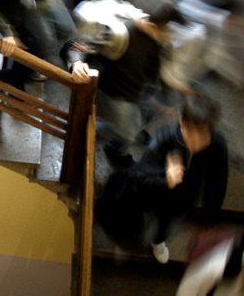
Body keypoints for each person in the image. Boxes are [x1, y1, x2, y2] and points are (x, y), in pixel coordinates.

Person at [97, 87, 228, 264]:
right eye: (192, 134)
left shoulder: (216, 145)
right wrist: (166, 179)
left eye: (203, 136)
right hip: (155, 197)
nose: (197, 143)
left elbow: (218, 182)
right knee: (144, 225)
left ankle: (158, 241)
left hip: (184, 201)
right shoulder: (165, 140)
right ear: (182, 121)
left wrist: (210, 218)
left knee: (167, 227)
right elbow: (137, 178)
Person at [65, 0, 189, 166]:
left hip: (137, 93)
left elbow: (160, 71)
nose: (171, 35)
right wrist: (76, 63)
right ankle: (87, 132)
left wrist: (164, 100)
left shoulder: (160, 43)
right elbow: (77, 46)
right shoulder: (120, 34)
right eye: (168, 29)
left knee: (136, 124)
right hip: (115, 93)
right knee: (127, 133)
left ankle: (112, 138)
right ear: (156, 26)